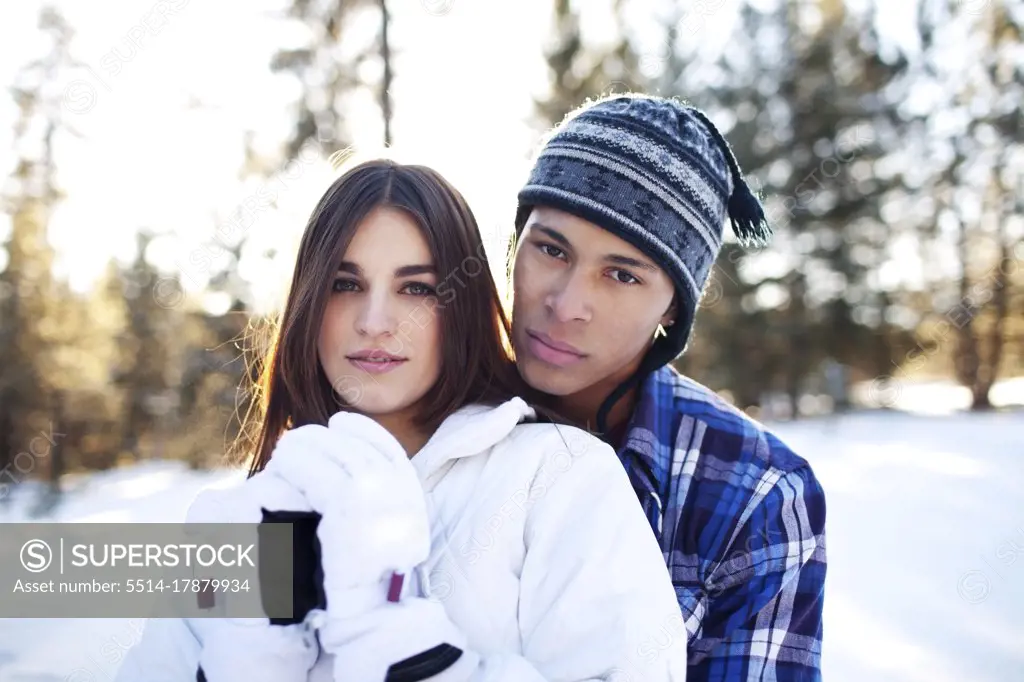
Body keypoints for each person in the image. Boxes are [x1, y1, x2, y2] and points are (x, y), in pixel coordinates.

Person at [114, 158, 689, 681]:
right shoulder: (246, 514)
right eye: (346, 285)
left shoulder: (561, 477)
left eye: (417, 288)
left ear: (459, 307)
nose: (375, 321)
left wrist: (404, 646)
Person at [506, 93, 827, 681]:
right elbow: (281, 602)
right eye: (551, 249)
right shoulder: (416, 407)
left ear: (674, 309)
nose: (567, 303)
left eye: (622, 274)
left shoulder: (759, 496)